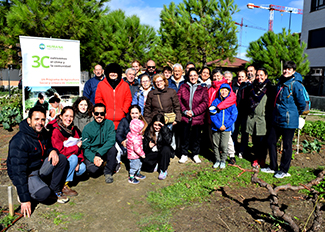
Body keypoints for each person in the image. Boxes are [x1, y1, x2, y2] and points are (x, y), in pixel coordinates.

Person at [7, 107, 69, 218]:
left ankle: (54, 190)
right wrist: (24, 199)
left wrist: (53, 151)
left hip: (39, 167)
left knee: (62, 159)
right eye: (36, 119)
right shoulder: (19, 141)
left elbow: (48, 146)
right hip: (27, 173)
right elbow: (18, 172)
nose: (40, 123)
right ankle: (26, 190)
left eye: (42, 119)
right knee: (44, 194)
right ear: (29, 120)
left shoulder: (42, 133)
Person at [262, 61, 306, 178]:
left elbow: (302, 103)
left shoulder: (295, 84)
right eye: (285, 69)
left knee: (286, 146)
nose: (286, 71)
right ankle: (273, 166)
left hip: (289, 120)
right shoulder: (280, 82)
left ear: (293, 71)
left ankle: (284, 170)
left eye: (289, 69)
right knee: (271, 141)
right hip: (277, 118)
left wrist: (294, 114)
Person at [49, 106, 86, 196]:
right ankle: (63, 184)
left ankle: (67, 176)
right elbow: (60, 151)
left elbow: (80, 146)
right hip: (60, 159)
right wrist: (75, 149)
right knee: (73, 158)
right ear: (61, 116)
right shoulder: (56, 130)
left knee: (82, 168)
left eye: (71, 116)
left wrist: (79, 160)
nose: (68, 119)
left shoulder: (73, 129)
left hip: (70, 156)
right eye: (66, 116)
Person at [243, 68, 275, 168]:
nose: (259, 77)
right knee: (255, 140)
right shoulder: (251, 87)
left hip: (264, 119)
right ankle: (256, 158)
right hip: (252, 118)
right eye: (257, 75)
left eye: (261, 75)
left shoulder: (270, 89)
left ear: (266, 76)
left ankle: (262, 159)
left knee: (263, 141)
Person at [177, 68, 208, 164]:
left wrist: (194, 112)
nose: (193, 77)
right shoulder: (183, 87)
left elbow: (205, 103)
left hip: (197, 117)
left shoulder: (203, 88)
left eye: (195, 75)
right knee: (184, 136)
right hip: (185, 116)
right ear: (188, 76)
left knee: (196, 137)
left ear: (198, 76)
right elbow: (178, 100)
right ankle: (184, 154)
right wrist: (185, 111)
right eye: (191, 75)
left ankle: (195, 154)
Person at [82, 103, 117, 183]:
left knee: (113, 149)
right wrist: (93, 158)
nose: (99, 115)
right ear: (93, 114)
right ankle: (104, 164)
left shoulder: (110, 124)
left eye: (102, 113)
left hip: (103, 151)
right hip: (93, 153)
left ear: (105, 114)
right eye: (96, 113)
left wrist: (99, 153)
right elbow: (85, 147)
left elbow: (111, 140)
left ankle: (108, 172)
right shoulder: (87, 128)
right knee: (93, 171)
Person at [95, 63, 132, 129]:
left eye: (115, 72)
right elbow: (98, 99)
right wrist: (104, 111)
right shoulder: (101, 85)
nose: (113, 74)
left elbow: (128, 99)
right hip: (106, 119)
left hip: (121, 120)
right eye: (111, 72)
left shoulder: (125, 85)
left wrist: (124, 110)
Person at [210, 84, 238, 169]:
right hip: (216, 127)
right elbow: (212, 114)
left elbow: (234, 115)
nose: (224, 92)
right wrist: (218, 125)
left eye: (226, 90)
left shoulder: (231, 103)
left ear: (229, 92)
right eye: (222, 90)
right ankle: (217, 160)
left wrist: (225, 125)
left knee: (224, 145)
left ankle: (223, 160)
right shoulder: (215, 102)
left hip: (226, 128)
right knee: (216, 144)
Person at [142, 114, 173, 180]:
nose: (157, 127)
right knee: (144, 165)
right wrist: (148, 146)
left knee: (166, 149)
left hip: (162, 152)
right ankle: (156, 164)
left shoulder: (166, 130)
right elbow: (144, 146)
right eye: (155, 125)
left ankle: (163, 169)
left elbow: (168, 142)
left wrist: (164, 129)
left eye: (159, 125)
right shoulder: (148, 130)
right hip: (153, 152)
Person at [232, 70, 251, 159]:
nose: (240, 78)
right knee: (234, 131)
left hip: (244, 113)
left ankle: (242, 150)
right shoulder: (234, 86)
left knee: (244, 132)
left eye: (242, 77)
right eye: (239, 76)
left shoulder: (248, 86)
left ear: (246, 78)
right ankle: (233, 149)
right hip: (235, 112)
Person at [127, 119, 147, 184]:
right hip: (134, 156)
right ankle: (131, 177)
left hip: (134, 155)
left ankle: (137, 174)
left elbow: (135, 137)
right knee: (134, 166)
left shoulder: (131, 134)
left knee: (139, 164)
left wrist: (140, 137)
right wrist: (142, 154)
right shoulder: (135, 139)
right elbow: (137, 148)